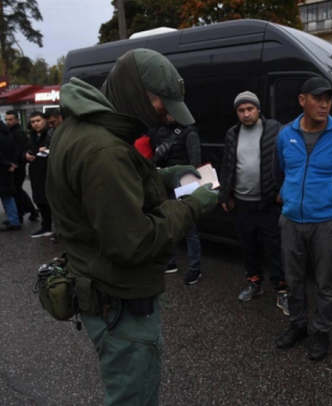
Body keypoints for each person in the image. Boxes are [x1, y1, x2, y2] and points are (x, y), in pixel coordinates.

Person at [46, 48, 218, 406]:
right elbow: (133, 242)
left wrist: (161, 176)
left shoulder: (80, 128)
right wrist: (192, 205)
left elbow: (109, 188)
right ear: (137, 91)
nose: (166, 114)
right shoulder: (104, 150)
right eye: (161, 104)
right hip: (121, 305)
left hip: (103, 294)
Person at [274, 77, 332, 361]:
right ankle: (297, 325)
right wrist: (288, 197)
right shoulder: (285, 134)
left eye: (328, 99)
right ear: (303, 100)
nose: (324, 104)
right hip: (291, 221)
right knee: (293, 279)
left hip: (326, 223)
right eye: (318, 98)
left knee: (325, 282)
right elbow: (279, 173)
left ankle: (321, 331)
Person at [218, 91, 287, 313]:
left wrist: (282, 191)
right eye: (241, 110)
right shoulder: (232, 133)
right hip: (242, 202)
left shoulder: (274, 129)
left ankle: (282, 290)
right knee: (248, 246)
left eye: (250, 109)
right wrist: (225, 195)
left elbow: (288, 161)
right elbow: (228, 165)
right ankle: (254, 283)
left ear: (258, 109)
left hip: (268, 202)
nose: (246, 114)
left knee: (275, 247)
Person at [154, 114, 203, 284]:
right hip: (165, 186)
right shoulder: (160, 131)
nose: (169, 115)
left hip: (184, 185)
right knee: (169, 225)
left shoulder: (189, 133)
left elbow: (195, 163)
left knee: (189, 229)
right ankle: (171, 262)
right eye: (166, 111)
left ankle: (195, 268)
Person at [5, 110, 37, 223]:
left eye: (10, 119)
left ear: (17, 120)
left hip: (18, 167)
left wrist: (14, 164)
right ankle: (32, 212)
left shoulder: (19, 133)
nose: (8, 122)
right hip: (15, 165)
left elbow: (18, 151)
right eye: (6, 120)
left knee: (16, 191)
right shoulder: (11, 131)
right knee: (18, 190)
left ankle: (19, 216)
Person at [25, 111, 53, 238]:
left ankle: (58, 230)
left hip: (49, 171)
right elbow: (23, 151)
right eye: (33, 122)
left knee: (52, 201)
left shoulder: (51, 133)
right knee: (40, 200)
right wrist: (26, 155)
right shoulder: (30, 135)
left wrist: (46, 150)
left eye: (38, 120)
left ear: (44, 120)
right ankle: (46, 227)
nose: (35, 124)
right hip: (35, 172)